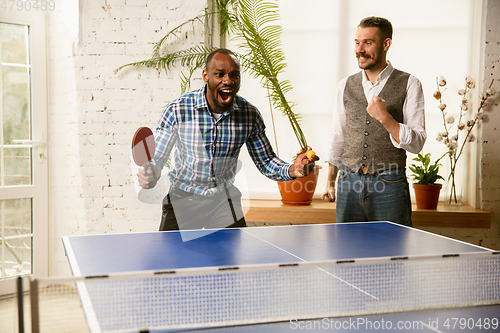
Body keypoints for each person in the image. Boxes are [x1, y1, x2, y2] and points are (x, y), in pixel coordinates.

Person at [138, 48, 317, 231]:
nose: (228, 81)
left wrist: (293, 170)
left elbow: (266, 161)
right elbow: (157, 159)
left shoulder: (249, 115)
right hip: (183, 199)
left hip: (223, 202)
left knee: (230, 258)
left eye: (234, 75)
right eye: (220, 74)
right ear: (206, 76)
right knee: (170, 258)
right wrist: (151, 173)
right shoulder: (177, 110)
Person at [321, 17, 426, 227]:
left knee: (393, 251)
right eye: (357, 42)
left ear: (386, 44)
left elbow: (417, 143)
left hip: (390, 184)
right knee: (347, 252)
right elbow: (338, 135)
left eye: (368, 43)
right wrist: (330, 182)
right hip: (347, 182)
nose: (359, 49)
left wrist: (385, 118)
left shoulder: (410, 83)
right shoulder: (345, 85)